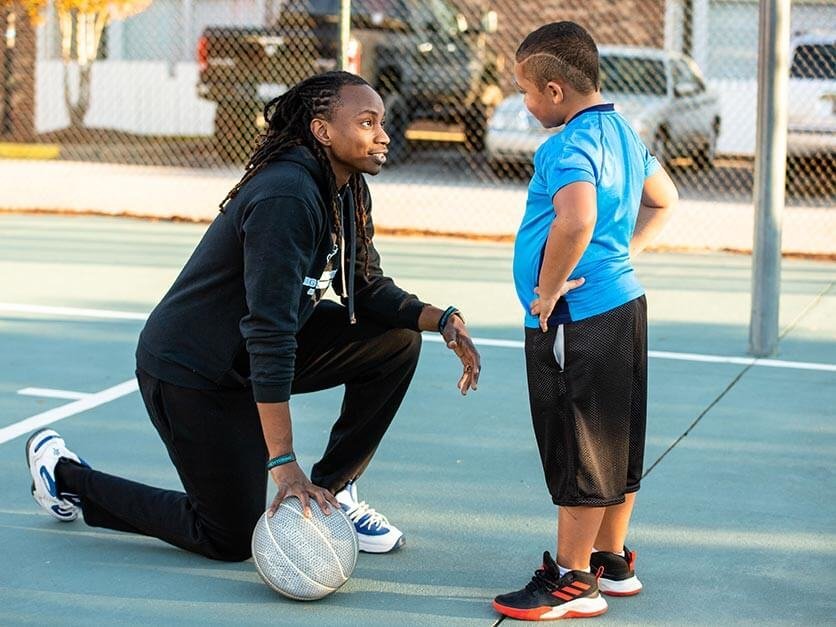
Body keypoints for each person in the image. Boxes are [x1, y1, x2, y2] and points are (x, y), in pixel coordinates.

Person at [25, 71, 481, 561]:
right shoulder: (286, 196)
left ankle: (334, 493)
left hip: (242, 355)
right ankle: (66, 477)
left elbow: (365, 285)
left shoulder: (345, 187)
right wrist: (283, 464)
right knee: (229, 537)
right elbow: (271, 333)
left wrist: (442, 320)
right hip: (192, 369)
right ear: (322, 131)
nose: (384, 135)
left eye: (382, 122)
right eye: (367, 122)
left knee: (396, 340)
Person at [492, 22, 678, 621]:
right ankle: (611, 559)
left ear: (552, 90)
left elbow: (575, 219)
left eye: (524, 91)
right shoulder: (624, 131)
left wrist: (546, 292)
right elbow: (664, 198)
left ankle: (573, 580)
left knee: (578, 443)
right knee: (615, 435)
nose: (523, 103)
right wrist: (622, 255)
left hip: (578, 314)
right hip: (622, 303)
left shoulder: (564, 147)